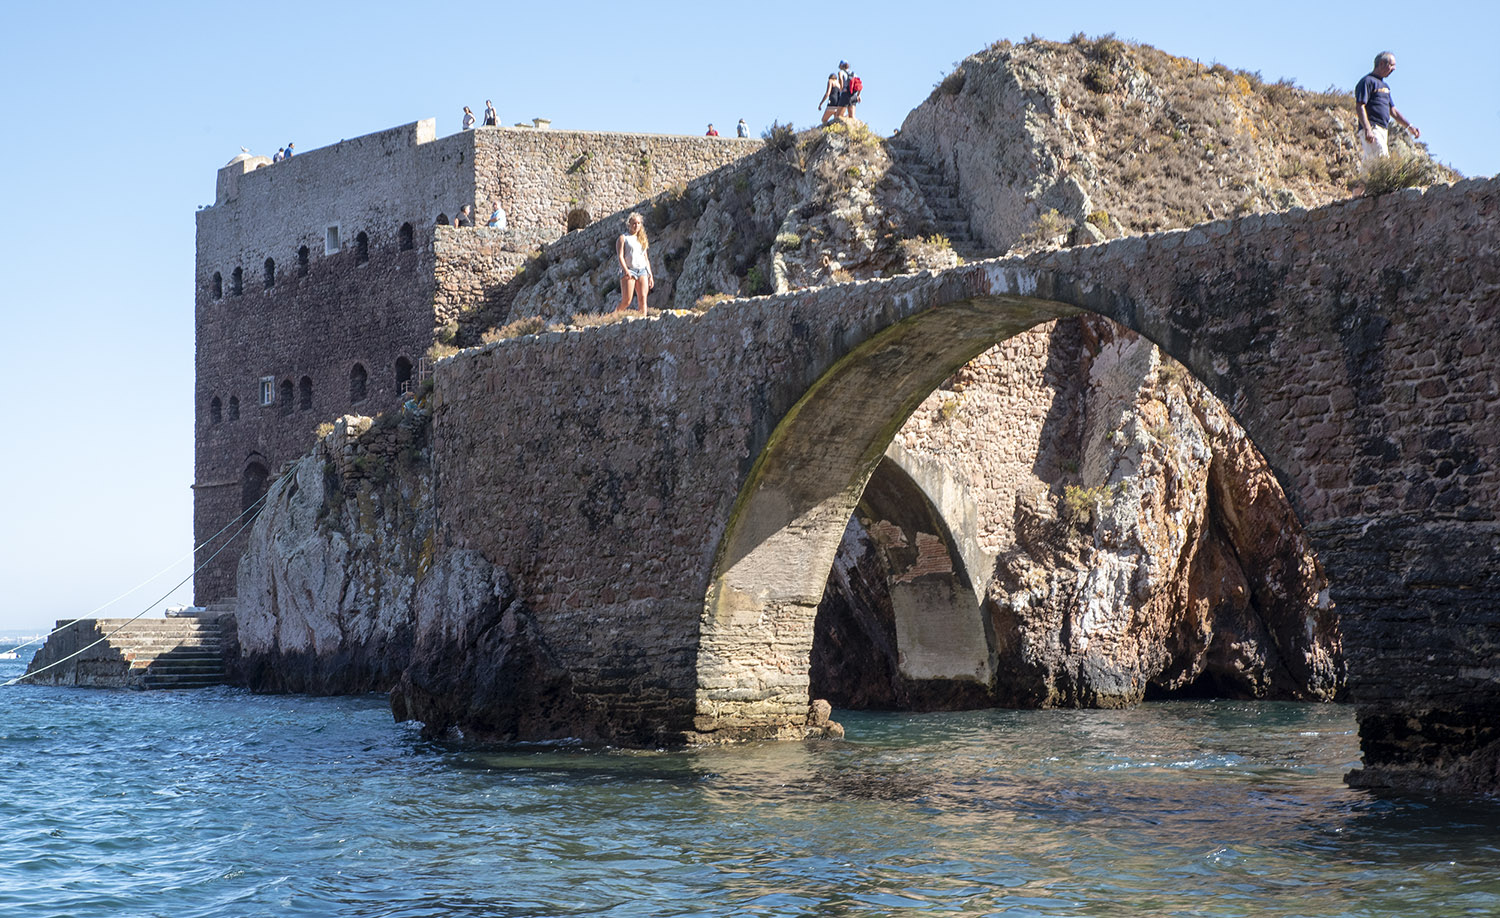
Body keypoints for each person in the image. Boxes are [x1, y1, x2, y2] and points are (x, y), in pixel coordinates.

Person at [1355, 51, 1419, 163]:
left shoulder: (1385, 87)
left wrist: (1409, 126)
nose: (1394, 69)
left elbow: (1393, 111)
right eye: (1391, 65)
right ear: (1381, 64)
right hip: (1373, 127)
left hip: (1383, 129)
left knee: (1371, 163)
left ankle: (1361, 181)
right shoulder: (1367, 82)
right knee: (1382, 160)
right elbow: (1360, 106)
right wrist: (1367, 129)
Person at [615, 212, 653, 314]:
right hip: (629, 270)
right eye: (634, 223)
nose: (636, 225)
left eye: (638, 223)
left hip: (642, 270)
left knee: (643, 298)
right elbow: (620, 256)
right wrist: (626, 270)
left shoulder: (642, 239)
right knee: (627, 300)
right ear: (629, 224)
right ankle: (612, 318)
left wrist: (650, 275)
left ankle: (642, 321)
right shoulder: (623, 238)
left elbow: (646, 258)